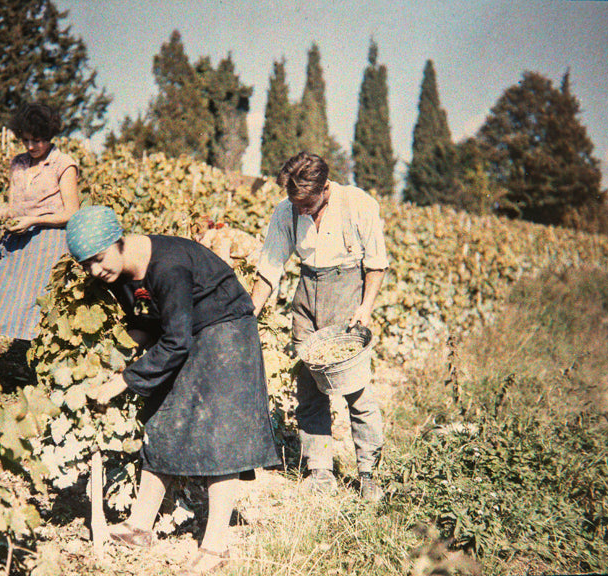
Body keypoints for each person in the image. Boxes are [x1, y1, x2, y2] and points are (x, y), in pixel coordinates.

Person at [65, 206, 279, 575]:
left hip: (227, 329)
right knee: (160, 419)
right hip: (186, 332)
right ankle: (140, 527)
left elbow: (176, 341)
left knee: (220, 436)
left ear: (119, 242)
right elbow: (145, 323)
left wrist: (124, 380)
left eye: (98, 259)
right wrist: (117, 358)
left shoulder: (168, 267)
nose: (94, 271)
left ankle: (216, 545)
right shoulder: (118, 274)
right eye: (86, 265)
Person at [250, 152, 389, 500]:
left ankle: (369, 472)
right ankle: (319, 470)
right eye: (295, 203)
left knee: (356, 390)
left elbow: (376, 264)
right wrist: (249, 312)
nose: (300, 211)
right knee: (309, 388)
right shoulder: (287, 211)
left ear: (325, 189)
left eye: (307, 205)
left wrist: (365, 307)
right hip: (306, 293)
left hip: (347, 294)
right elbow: (270, 267)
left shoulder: (357, 205)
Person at [0, 102, 79, 352]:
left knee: (27, 304)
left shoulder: (63, 164)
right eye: (26, 140)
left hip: (47, 243)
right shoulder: (18, 163)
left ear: (49, 136)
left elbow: (71, 213)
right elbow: (15, 206)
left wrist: (33, 220)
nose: (31, 146)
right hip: (16, 237)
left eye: (37, 140)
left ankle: (29, 364)